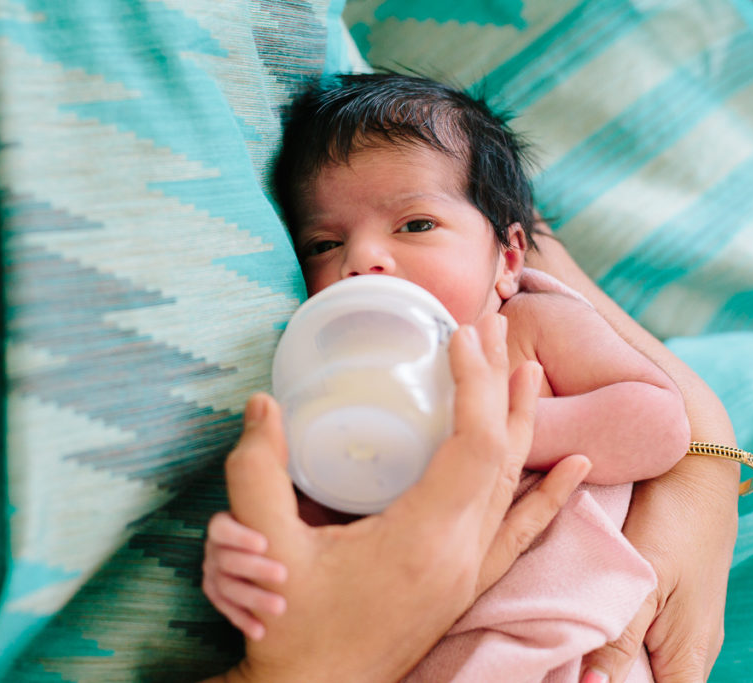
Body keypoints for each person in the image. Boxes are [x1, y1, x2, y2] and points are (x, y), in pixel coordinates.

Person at [203, 73, 695, 681]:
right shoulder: (334, 382)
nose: (361, 259)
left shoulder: (528, 327)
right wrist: (253, 566)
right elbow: (320, 532)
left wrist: (492, 433)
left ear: (508, 259)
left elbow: (660, 424)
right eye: (324, 243)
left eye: (415, 225)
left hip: (572, 644)